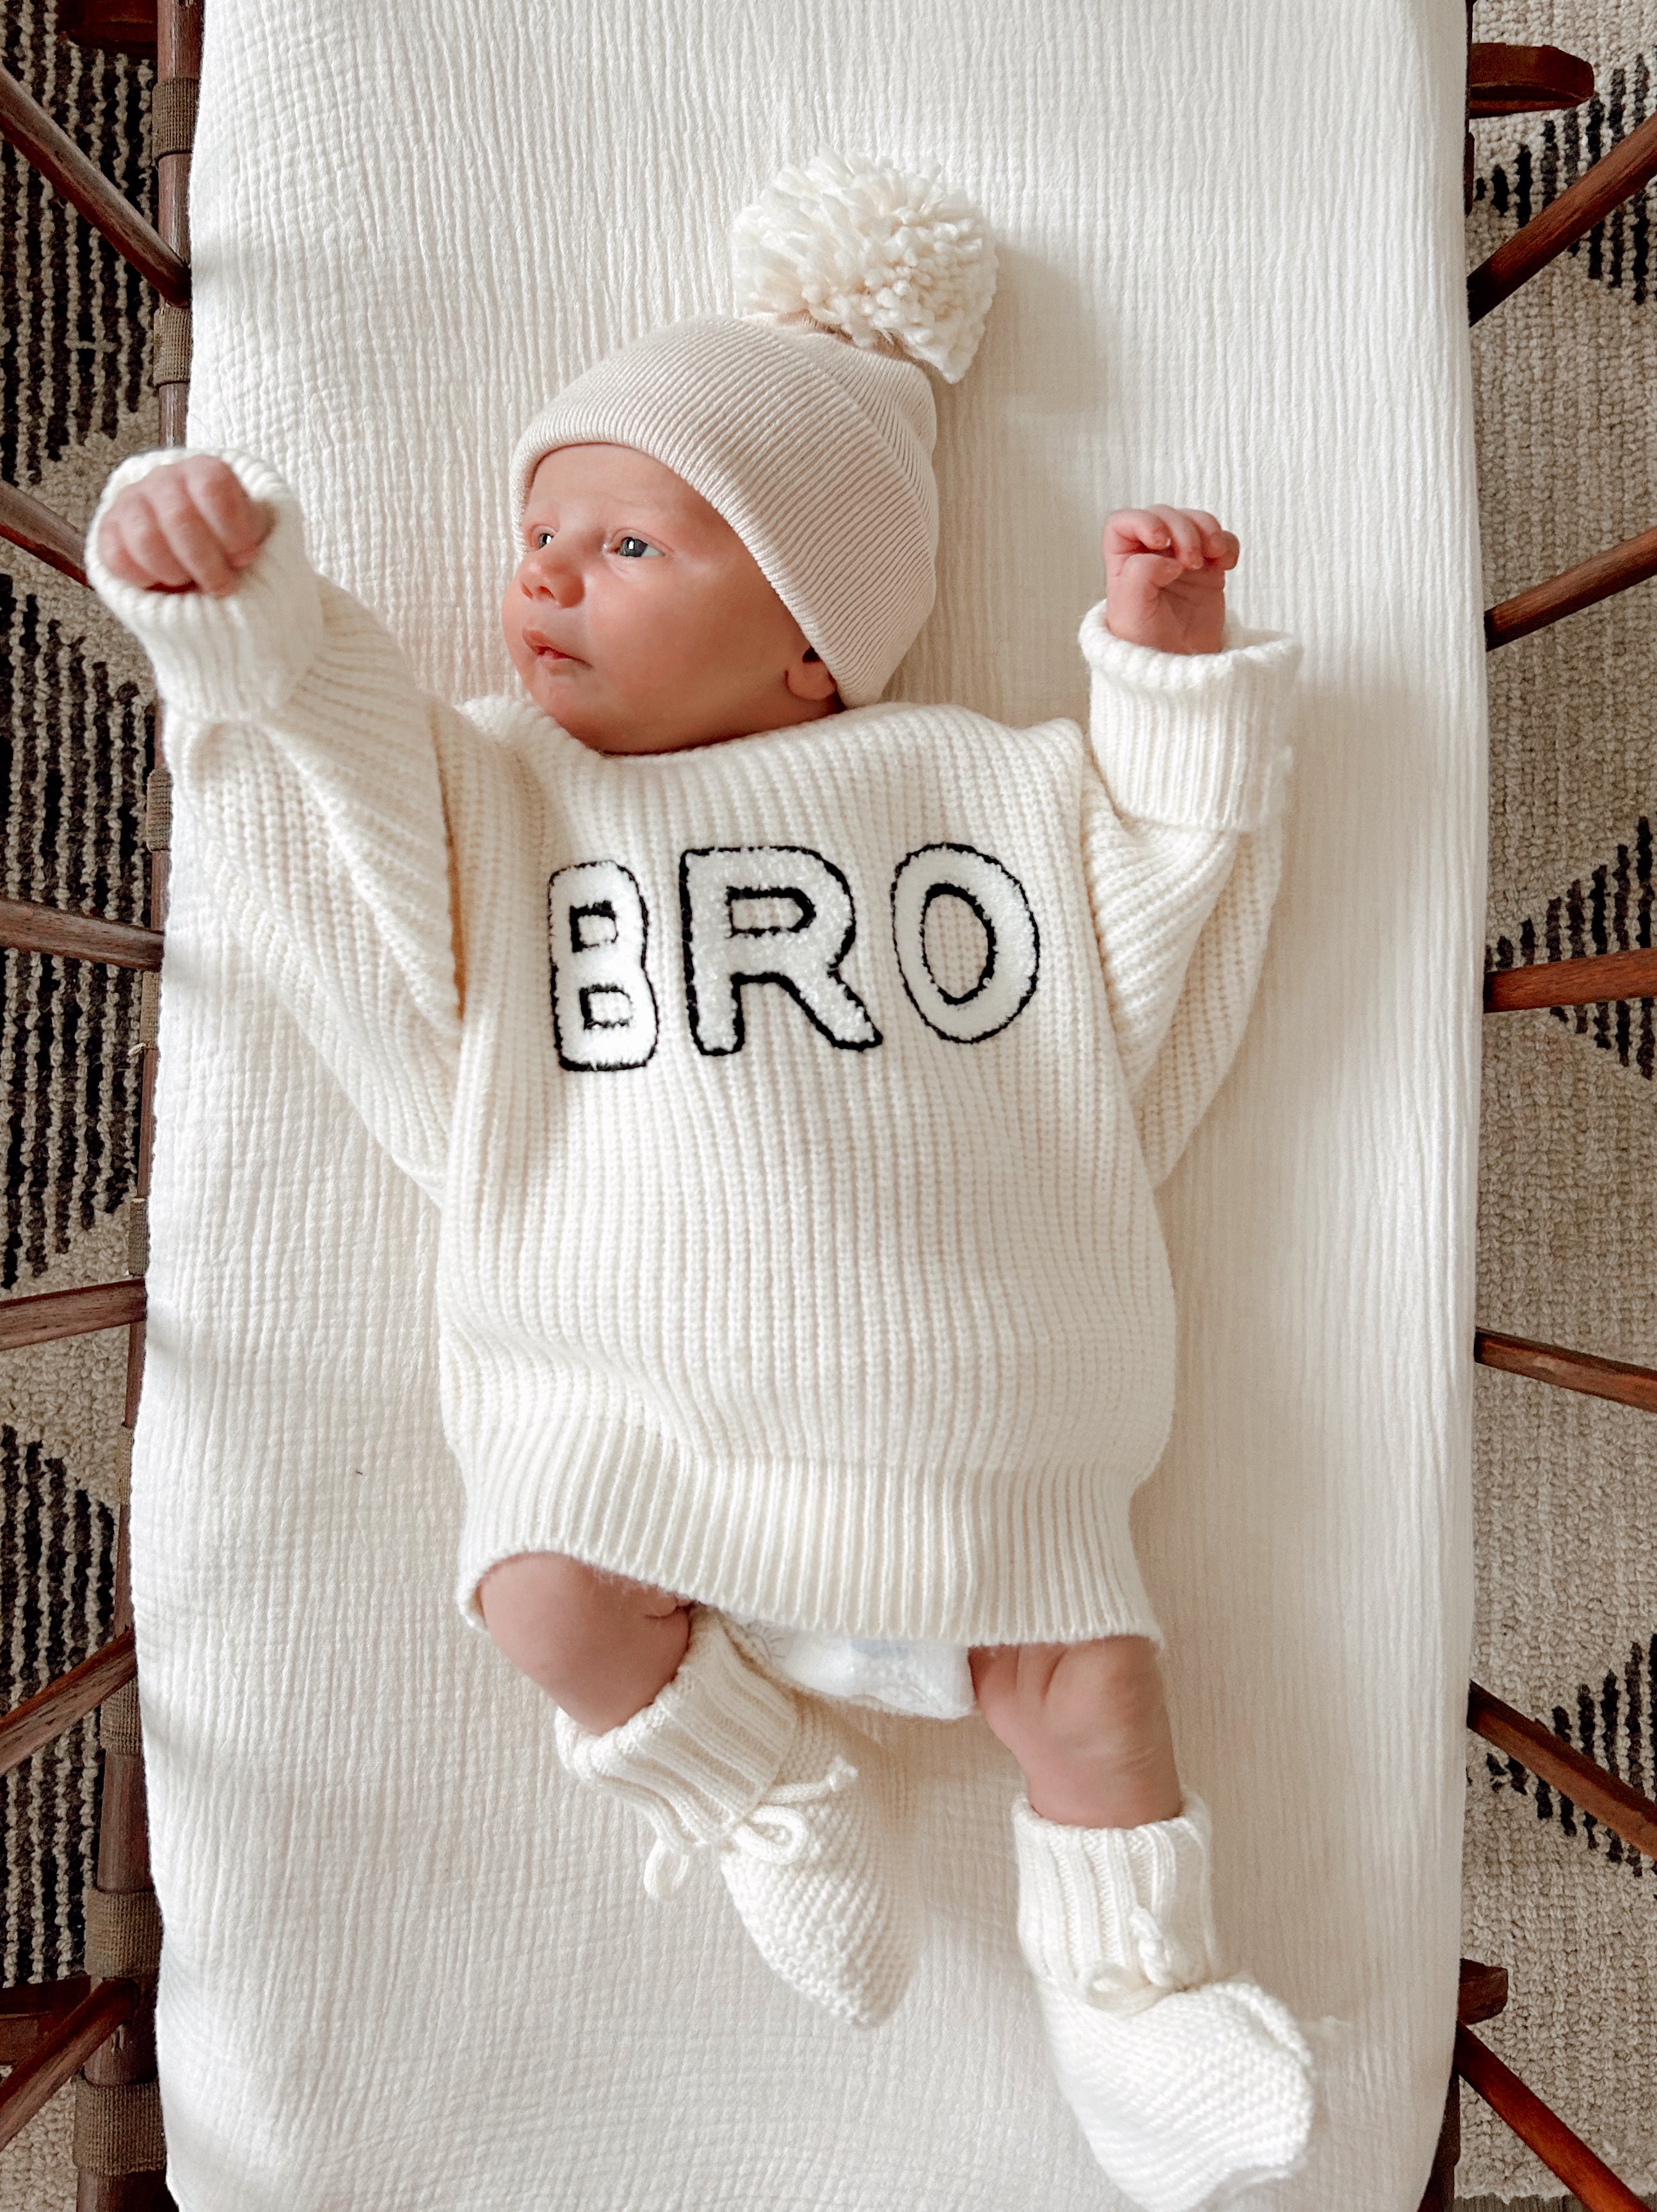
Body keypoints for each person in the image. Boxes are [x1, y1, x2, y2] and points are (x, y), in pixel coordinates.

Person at [90, 151, 1315, 2212]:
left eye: (630, 542)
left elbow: (1158, 912)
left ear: (815, 645)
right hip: (633, 1417)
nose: (547, 581)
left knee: (1089, 1690)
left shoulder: (965, 780)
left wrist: (1166, 668)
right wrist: (235, 601)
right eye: (538, 535)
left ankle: (1138, 1991)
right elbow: (335, 761)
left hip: (976, 1422)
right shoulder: (511, 789)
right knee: (537, 1592)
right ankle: (762, 1785)